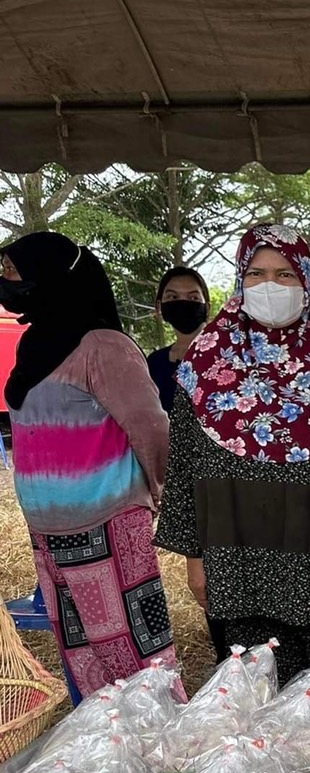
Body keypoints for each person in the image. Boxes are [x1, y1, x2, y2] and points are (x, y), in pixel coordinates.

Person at [155, 223, 310, 703]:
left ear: (307, 280)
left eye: (284, 274)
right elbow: (183, 468)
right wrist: (194, 560)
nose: (270, 286)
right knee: (254, 697)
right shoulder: (203, 362)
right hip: (237, 561)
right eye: (257, 273)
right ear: (239, 280)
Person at [1, 232, 176, 696]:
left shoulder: (102, 345)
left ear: (52, 275)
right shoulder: (34, 344)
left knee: (135, 653)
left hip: (108, 525)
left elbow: (150, 426)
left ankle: (161, 751)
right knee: (83, 652)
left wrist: (155, 495)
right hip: (49, 529)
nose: (6, 281)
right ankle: (106, 746)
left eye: (13, 270)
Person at [146, 267, 211, 412]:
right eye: (173, 297)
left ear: (207, 307)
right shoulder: (155, 363)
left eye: (193, 298)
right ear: (159, 307)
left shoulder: (229, 355)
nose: (183, 304)